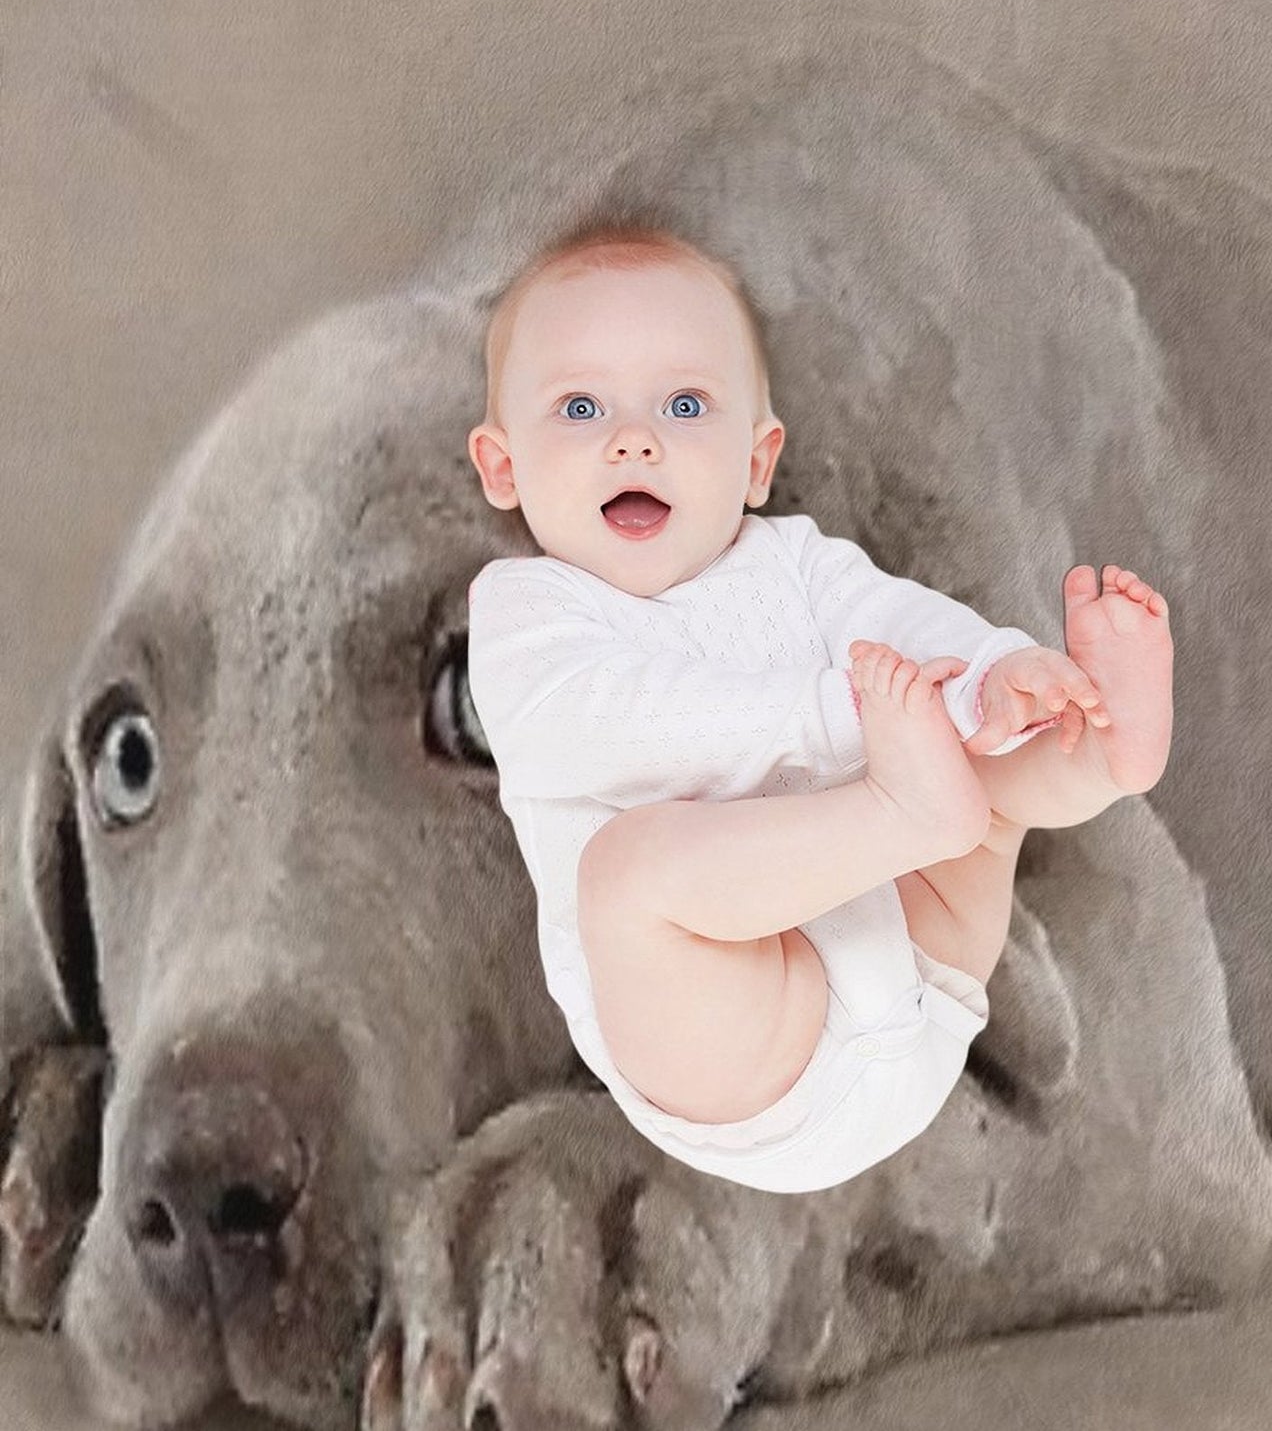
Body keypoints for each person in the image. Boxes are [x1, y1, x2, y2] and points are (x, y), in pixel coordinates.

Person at [464, 220, 1174, 1194]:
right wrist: (840, 717)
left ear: (755, 461)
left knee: (979, 766)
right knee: (625, 876)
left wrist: (988, 673)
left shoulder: (793, 562)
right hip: (747, 1049)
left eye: (683, 403)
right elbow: (616, 723)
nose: (635, 437)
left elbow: (898, 621)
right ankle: (912, 807)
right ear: (502, 466)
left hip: (923, 967)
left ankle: (1095, 750)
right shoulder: (527, 613)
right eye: (580, 406)